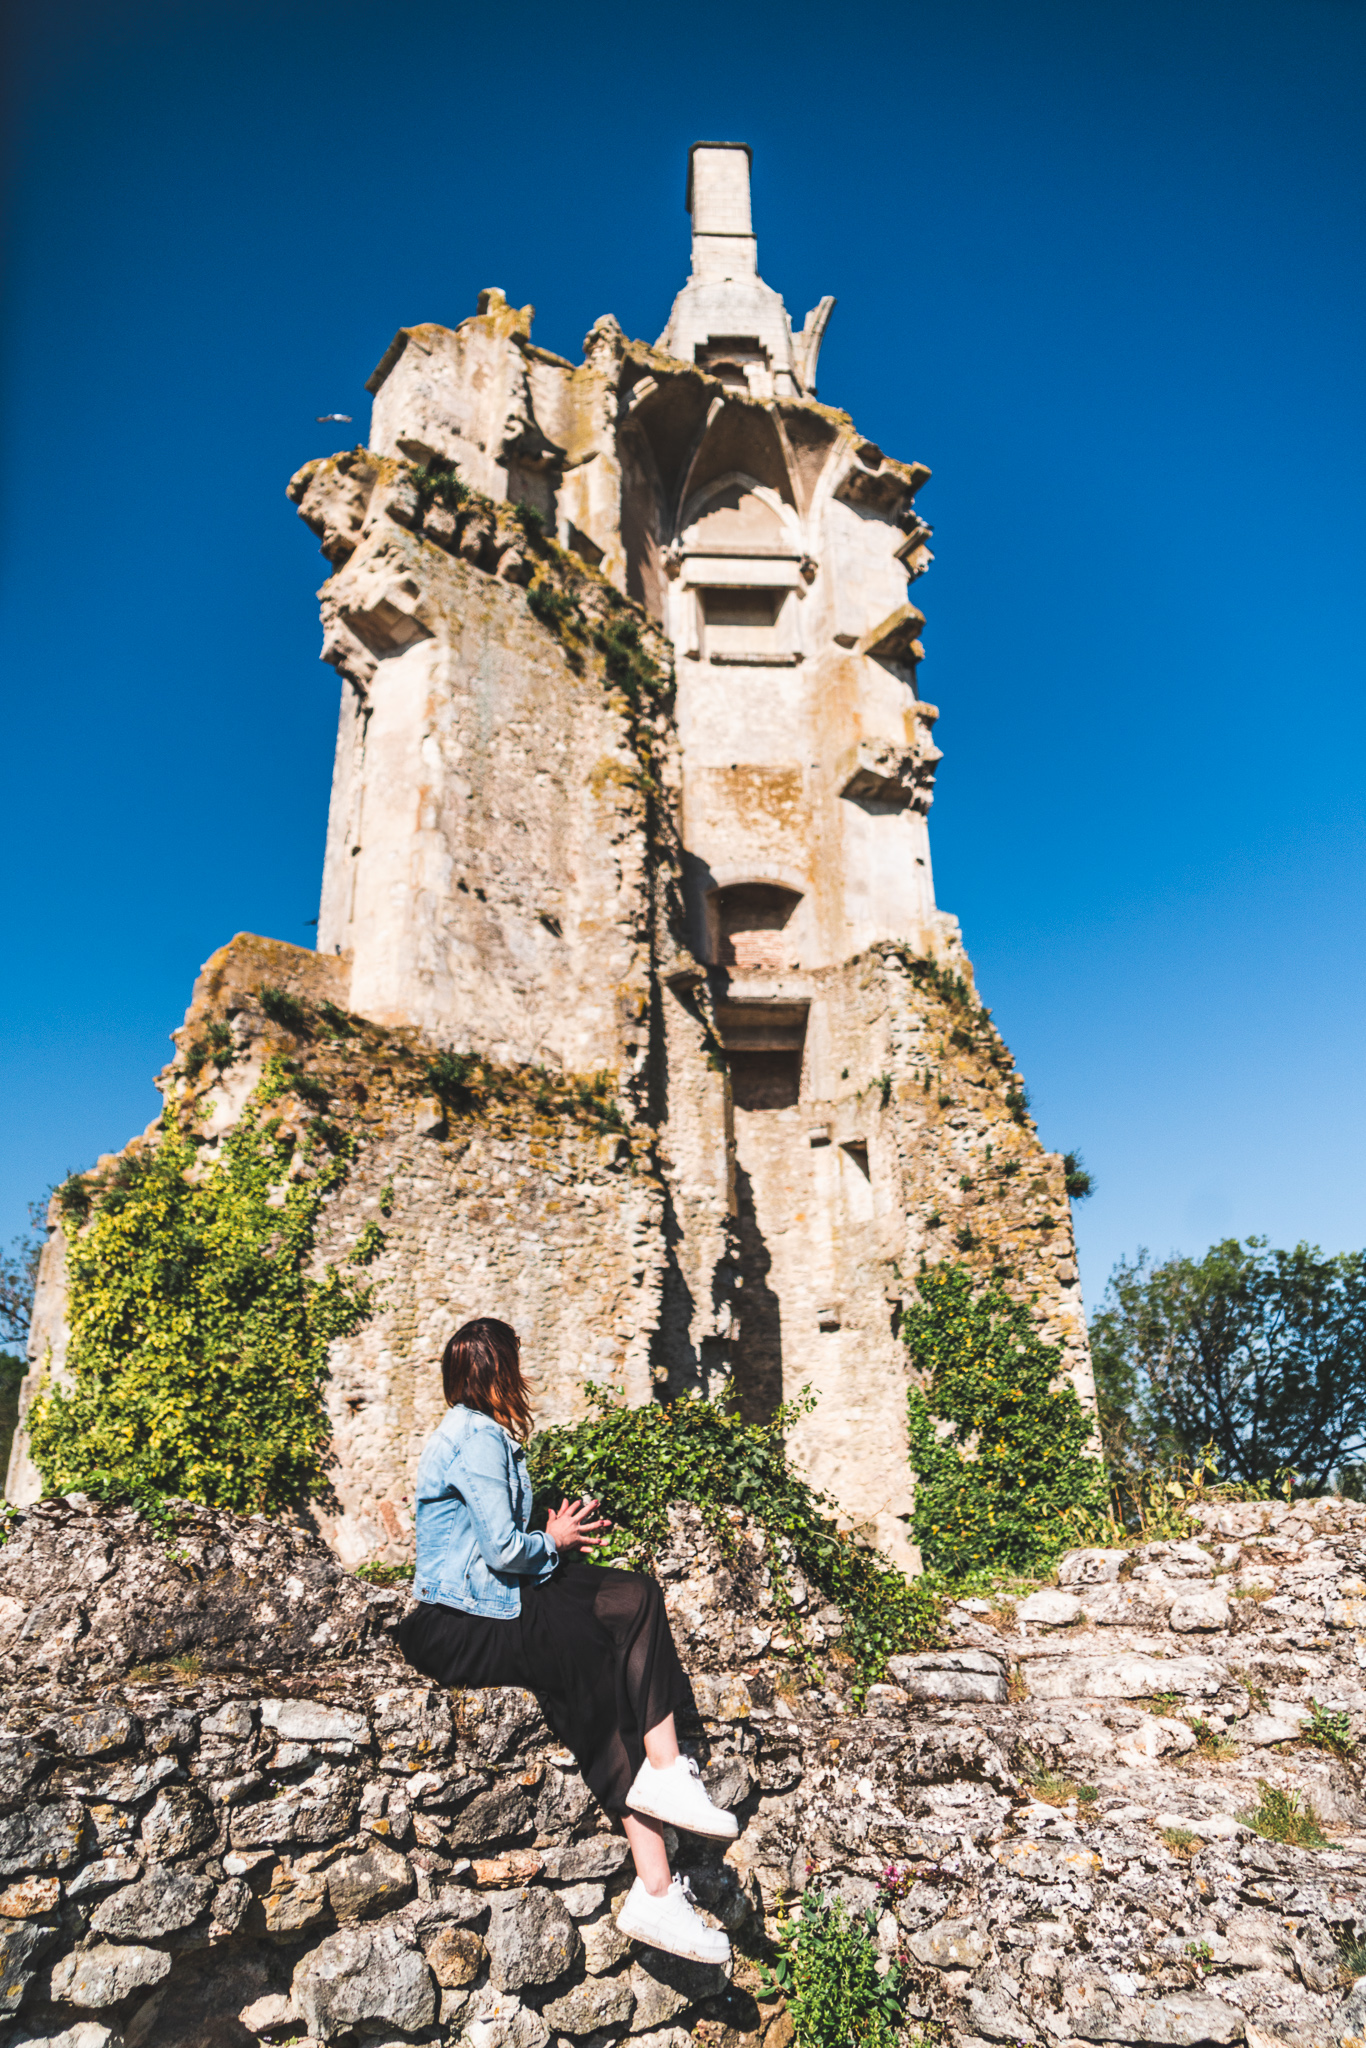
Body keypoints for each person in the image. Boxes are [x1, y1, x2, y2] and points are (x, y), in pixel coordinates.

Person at [397, 1315, 738, 1965]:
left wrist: (550, 1538)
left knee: (631, 1601)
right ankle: (656, 1881)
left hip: (484, 1607)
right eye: (514, 1363)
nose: (521, 1376)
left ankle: (665, 1782)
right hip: (463, 1621)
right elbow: (503, 1551)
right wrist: (550, 1540)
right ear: (498, 1371)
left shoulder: (475, 1432)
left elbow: (498, 1544)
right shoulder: (477, 1438)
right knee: (597, 1665)